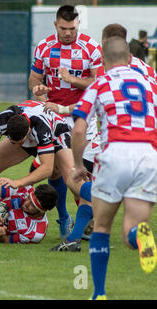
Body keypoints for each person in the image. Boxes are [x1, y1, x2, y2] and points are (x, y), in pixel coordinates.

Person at [51, 23, 157, 251]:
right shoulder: (149, 71)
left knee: (74, 177)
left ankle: (78, 237)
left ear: (106, 44)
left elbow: (88, 109)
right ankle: (76, 237)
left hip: (115, 141)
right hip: (148, 144)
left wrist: (59, 109)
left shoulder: (106, 69)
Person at [72, 36, 156, 299]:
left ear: (104, 61)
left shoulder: (100, 83)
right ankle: (138, 236)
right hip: (148, 157)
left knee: (102, 228)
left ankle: (99, 293)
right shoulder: (150, 83)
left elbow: (78, 129)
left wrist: (77, 165)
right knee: (131, 228)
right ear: (130, 58)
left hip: (115, 154)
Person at [28, 5, 102, 237]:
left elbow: (99, 83)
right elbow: (34, 80)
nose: (68, 32)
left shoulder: (91, 48)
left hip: (82, 118)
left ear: (78, 23)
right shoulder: (44, 46)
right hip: (54, 117)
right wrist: (39, 91)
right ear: (55, 25)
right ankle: (64, 219)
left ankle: (87, 221)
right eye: (63, 28)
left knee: (81, 174)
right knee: (57, 172)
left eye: (72, 27)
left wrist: (72, 79)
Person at [0, 100, 91, 243]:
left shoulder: (41, 129)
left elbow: (46, 168)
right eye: (13, 142)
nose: (18, 146)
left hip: (57, 134)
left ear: (28, 131)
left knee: (73, 181)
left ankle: (96, 208)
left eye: (20, 142)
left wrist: (17, 183)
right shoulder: (1, 120)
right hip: (28, 129)